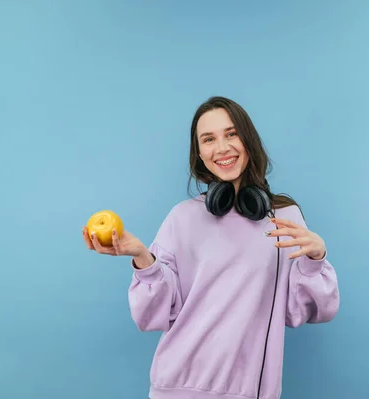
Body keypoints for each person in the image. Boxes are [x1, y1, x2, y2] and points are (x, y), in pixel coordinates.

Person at [82, 96, 340, 399]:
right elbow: (154, 316)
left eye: (231, 134)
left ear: (248, 141)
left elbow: (309, 311)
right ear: (200, 154)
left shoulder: (284, 218)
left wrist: (315, 260)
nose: (222, 148)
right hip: (176, 387)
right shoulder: (182, 217)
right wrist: (143, 258)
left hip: (249, 391)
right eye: (209, 139)